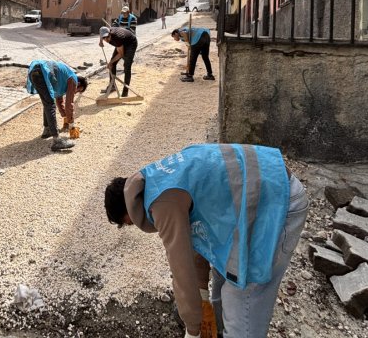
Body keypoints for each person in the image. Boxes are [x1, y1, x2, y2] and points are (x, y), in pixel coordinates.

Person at [104, 144, 308, 338]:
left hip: (277, 201)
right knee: (223, 271)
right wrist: (201, 290)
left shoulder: (162, 202)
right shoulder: (161, 176)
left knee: (242, 295)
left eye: (128, 223)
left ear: (128, 214)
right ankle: (218, 329)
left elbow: (180, 266)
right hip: (261, 186)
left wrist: (192, 329)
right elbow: (197, 233)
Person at [26, 60, 88, 151]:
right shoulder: (73, 80)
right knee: (50, 105)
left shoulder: (63, 80)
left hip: (35, 72)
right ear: (78, 84)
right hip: (42, 73)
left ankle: (47, 130)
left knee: (47, 102)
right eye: (78, 90)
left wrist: (66, 117)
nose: (75, 92)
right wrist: (72, 125)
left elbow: (59, 101)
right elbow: (69, 104)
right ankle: (57, 141)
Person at [99, 26, 138, 97]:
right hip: (121, 43)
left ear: (110, 33)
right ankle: (112, 86)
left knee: (127, 66)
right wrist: (101, 42)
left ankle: (125, 92)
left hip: (130, 43)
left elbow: (120, 54)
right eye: (104, 38)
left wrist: (110, 62)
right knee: (113, 64)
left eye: (107, 37)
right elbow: (101, 35)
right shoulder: (104, 33)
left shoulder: (117, 38)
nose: (106, 39)